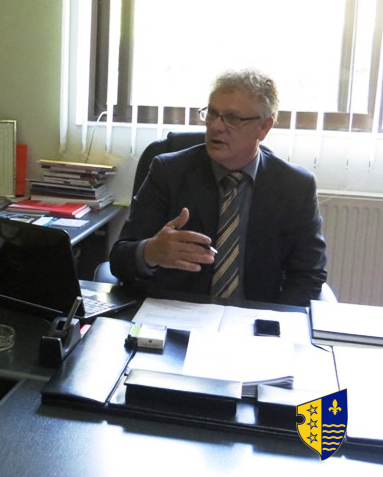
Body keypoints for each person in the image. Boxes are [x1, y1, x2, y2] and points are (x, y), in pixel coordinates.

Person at [109, 69, 327, 305]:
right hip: (176, 315)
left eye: (232, 118)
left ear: (264, 127)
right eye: (212, 113)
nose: (215, 126)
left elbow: (308, 276)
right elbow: (119, 260)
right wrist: (150, 252)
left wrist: (276, 321)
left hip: (253, 319)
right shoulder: (168, 172)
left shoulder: (295, 187)